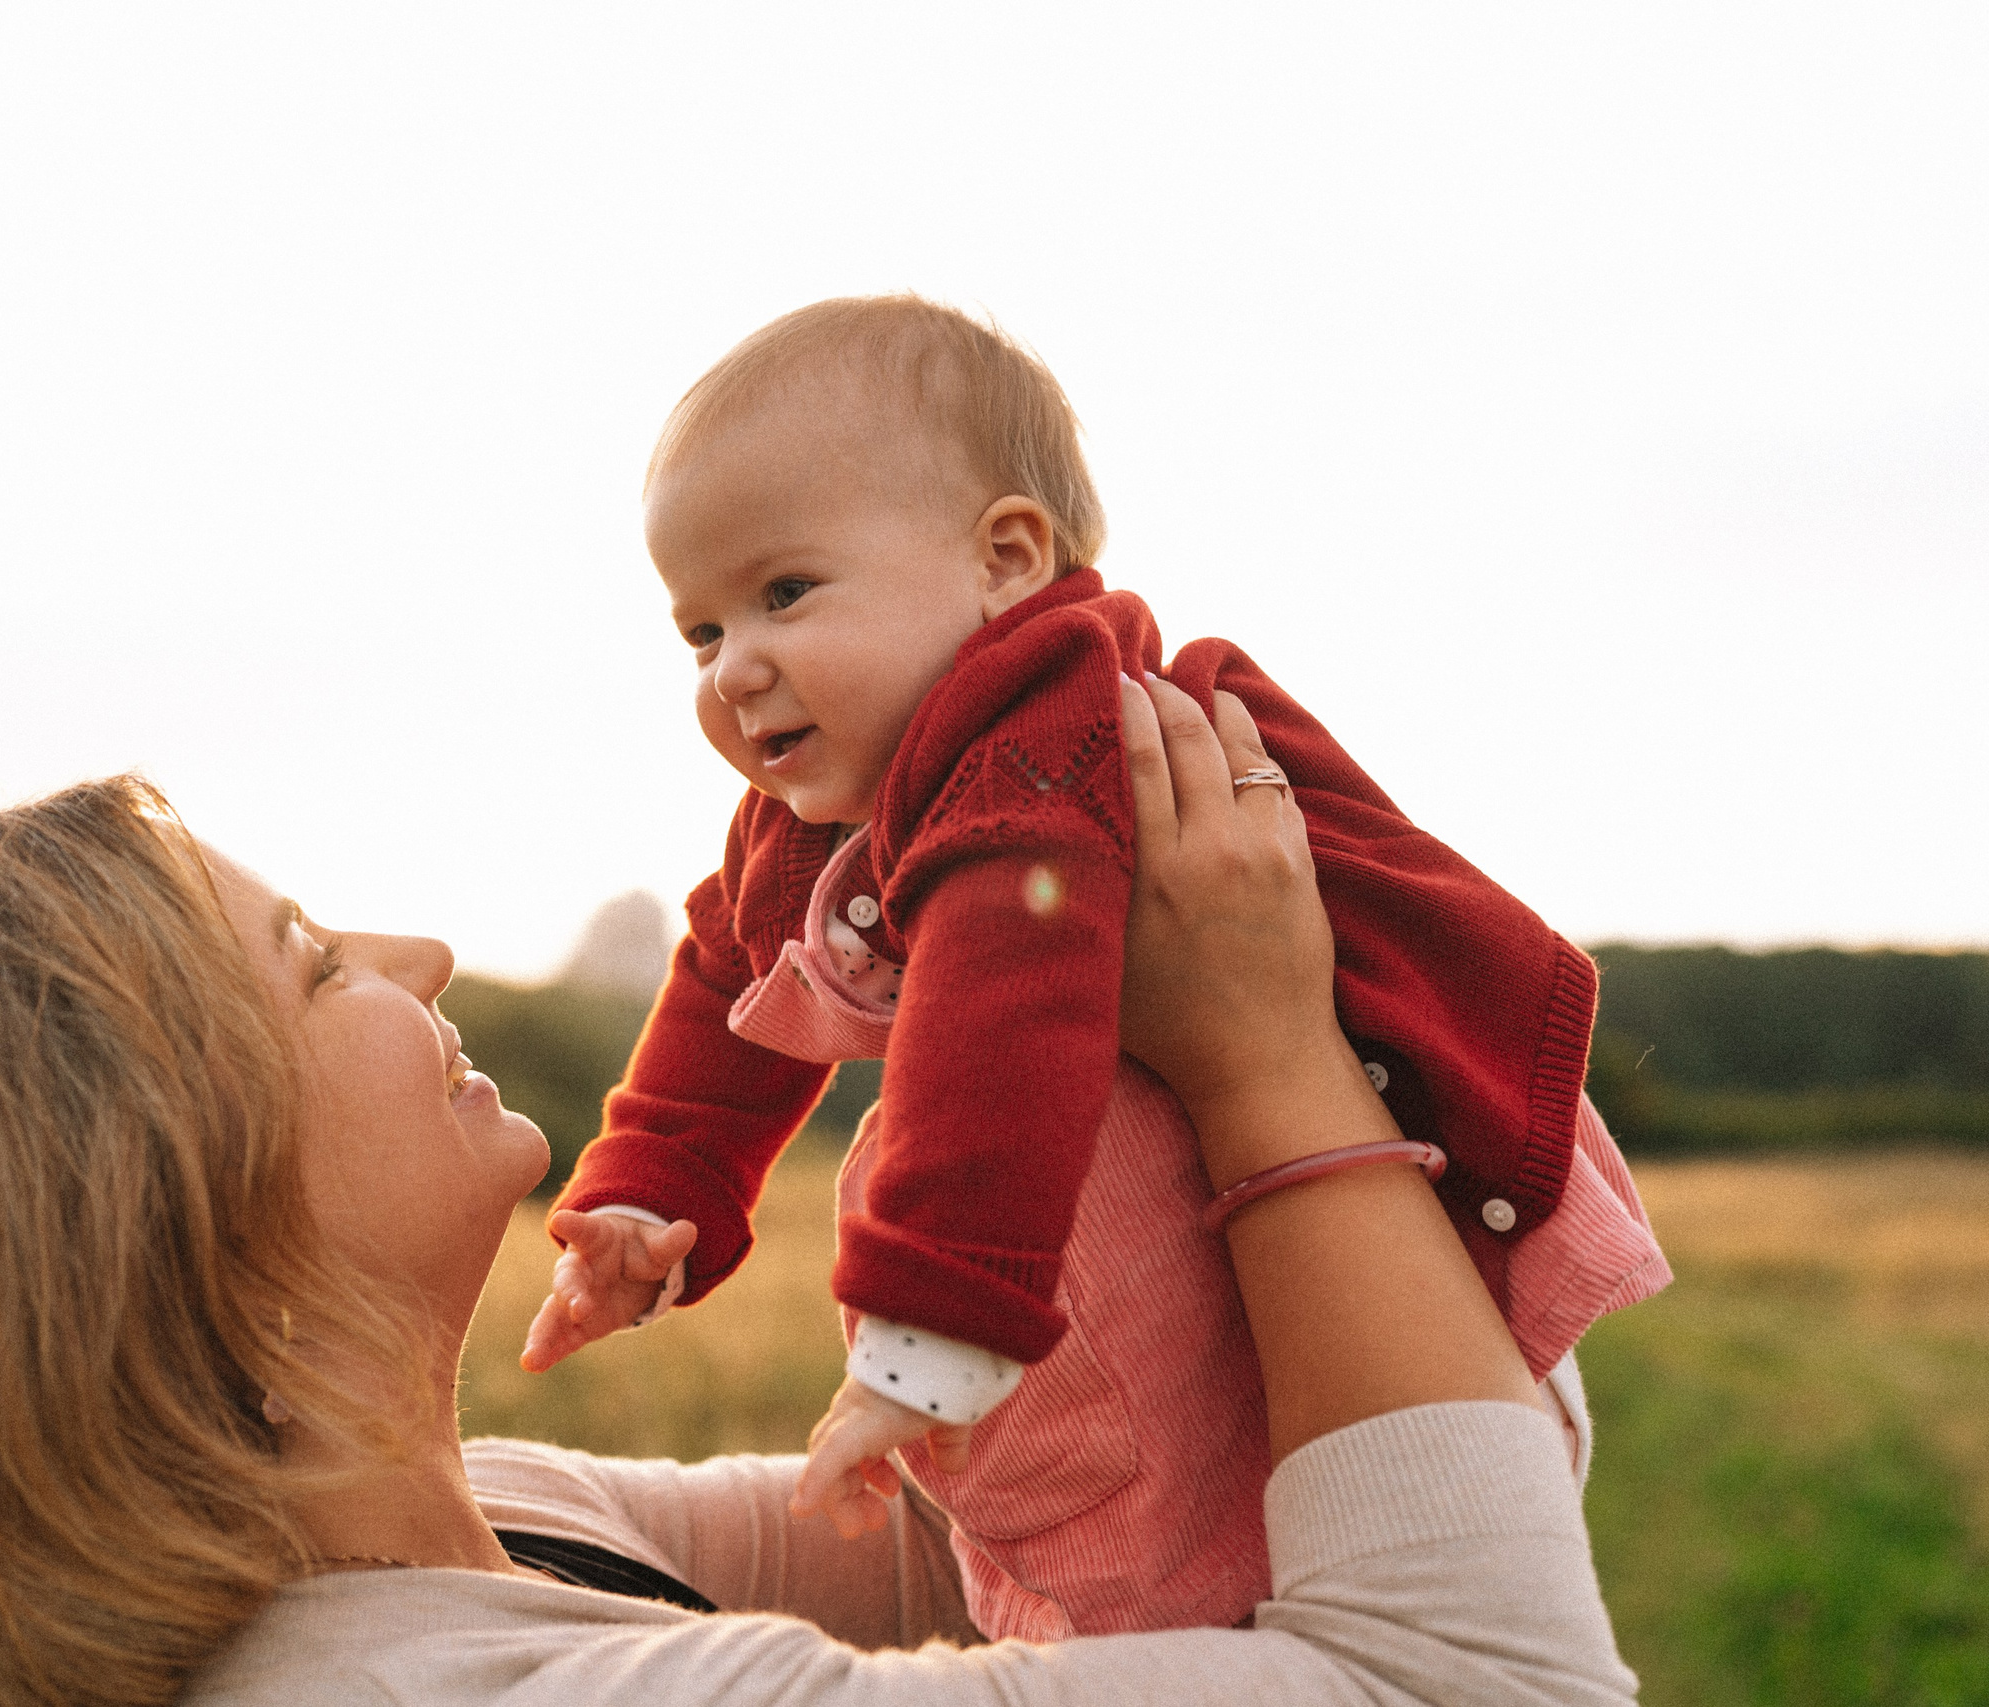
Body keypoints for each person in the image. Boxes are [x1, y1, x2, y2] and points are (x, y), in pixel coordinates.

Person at [0, 677, 1637, 1707]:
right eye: (309, 962)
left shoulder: (498, 1527)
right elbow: (1467, 1679)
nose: (412, 958)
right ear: (166, 1205)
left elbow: (1062, 1562)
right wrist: (1267, 1049)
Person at [526, 295, 1670, 1638]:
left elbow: (996, 1045)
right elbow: (727, 974)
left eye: (784, 593)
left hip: (1361, 1238)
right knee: (1180, 1543)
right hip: (1176, 1251)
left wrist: (921, 1350)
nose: (736, 670)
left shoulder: (1047, 737)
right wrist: (651, 1190)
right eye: (701, 632)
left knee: (1257, 1569)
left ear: (1007, 559)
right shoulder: (831, 810)